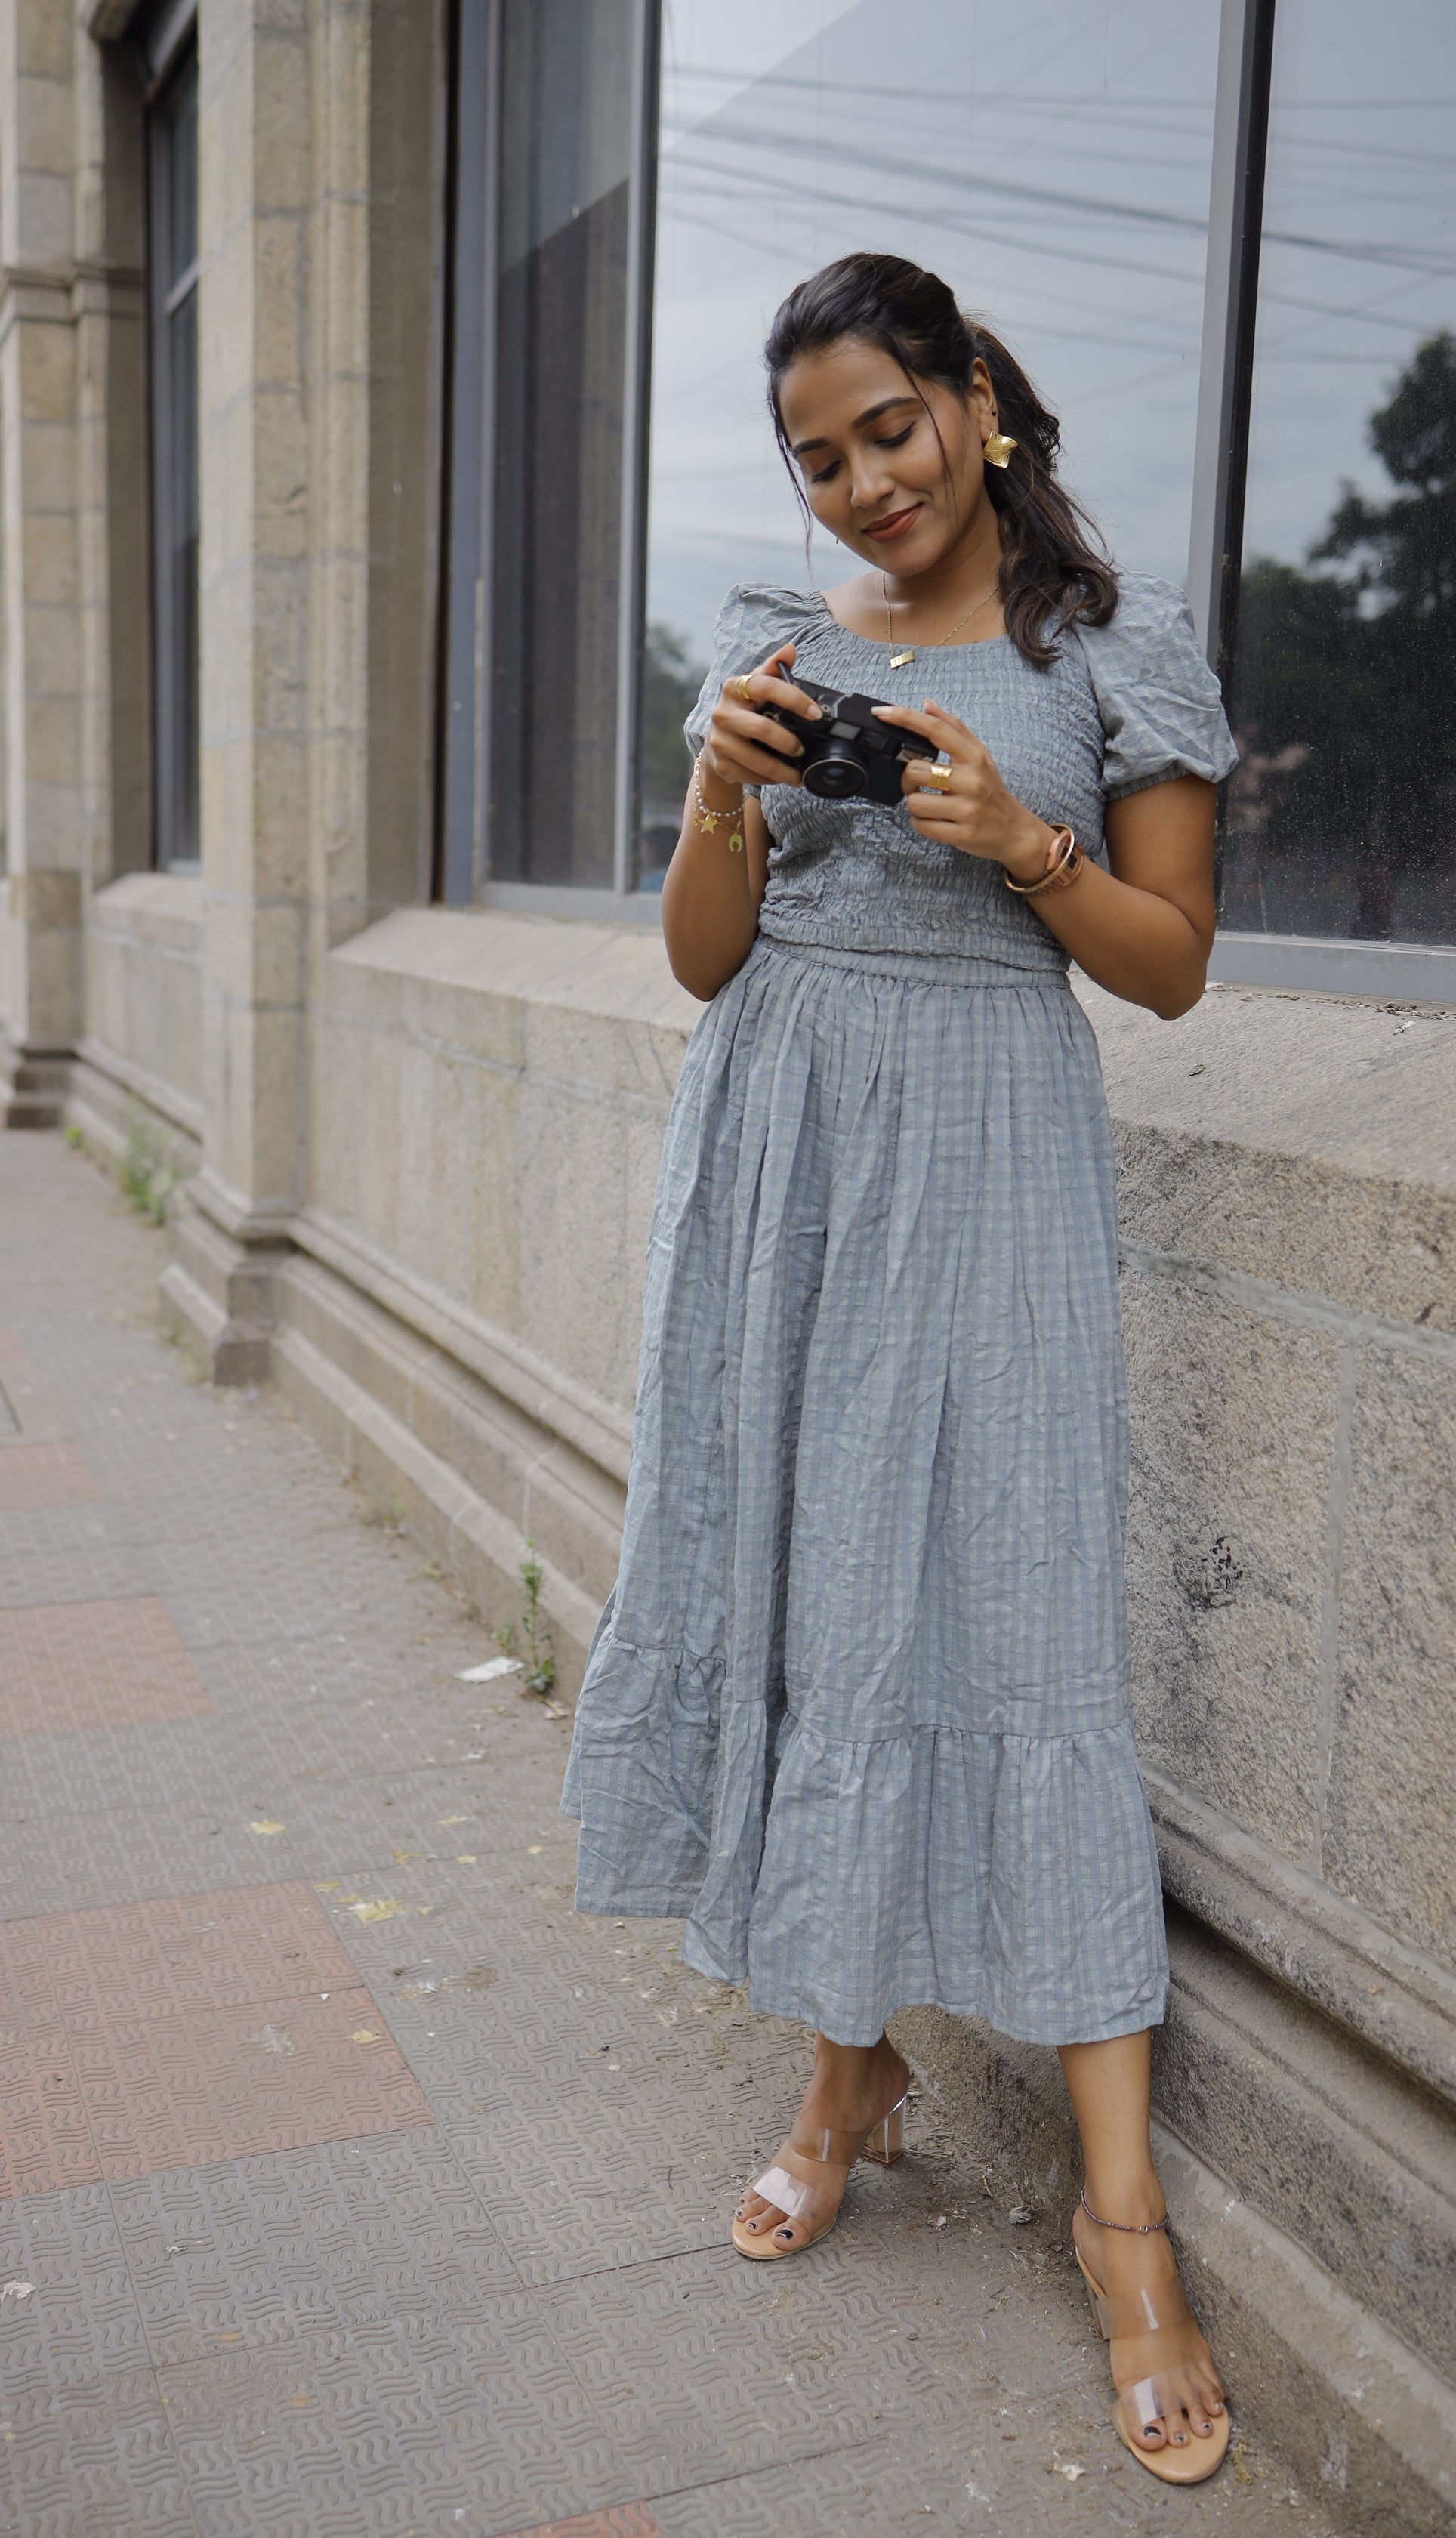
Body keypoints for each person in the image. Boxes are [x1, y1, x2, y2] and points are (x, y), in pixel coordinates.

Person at [562, 252, 1237, 2484]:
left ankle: (1122, 2223)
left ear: (979, 402)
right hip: (774, 1180)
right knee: (811, 1599)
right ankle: (848, 2067)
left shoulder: (1111, 653)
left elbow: (1168, 973)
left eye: (892, 427)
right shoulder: (775, 631)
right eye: (821, 454)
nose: (866, 483)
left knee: (1024, 1626)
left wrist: (1017, 839)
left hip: (989, 1178)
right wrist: (723, 793)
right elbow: (701, 957)